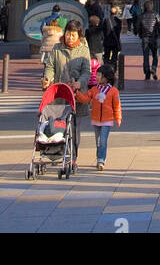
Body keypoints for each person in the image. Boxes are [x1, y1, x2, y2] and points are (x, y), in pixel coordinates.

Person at [42, 18, 91, 152]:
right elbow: (50, 66)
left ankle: (72, 154)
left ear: (79, 36)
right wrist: (47, 78)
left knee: (74, 126)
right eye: (68, 34)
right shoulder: (57, 48)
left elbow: (87, 71)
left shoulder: (83, 50)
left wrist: (79, 83)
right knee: (58, 124)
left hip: (77, 95)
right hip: (60, 94)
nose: (70, 37)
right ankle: (58, 150)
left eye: (73, 35)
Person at [76, 62, 122, 170]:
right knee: (97, 141)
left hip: (107, 120)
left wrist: (118, 118)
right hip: (96, 119)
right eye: (96, 75)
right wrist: (77, 94)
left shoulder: (113, 91)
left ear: (106, 78)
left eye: (99, 75)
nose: (96, 77)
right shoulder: (93, 90)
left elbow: (117, 105)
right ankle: (99, 157)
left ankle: (101, 160)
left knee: (102, 140)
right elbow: (85, 99)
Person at [139, 0, 160, 80]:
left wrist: (140, 34)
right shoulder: (156, 14)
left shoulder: (141, 16)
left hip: (145, 37)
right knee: (155, 55)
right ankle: (153, 68)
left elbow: (138, 27)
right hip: (154, 37)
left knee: (145, 56)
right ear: (152, 6)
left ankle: (147, 72)